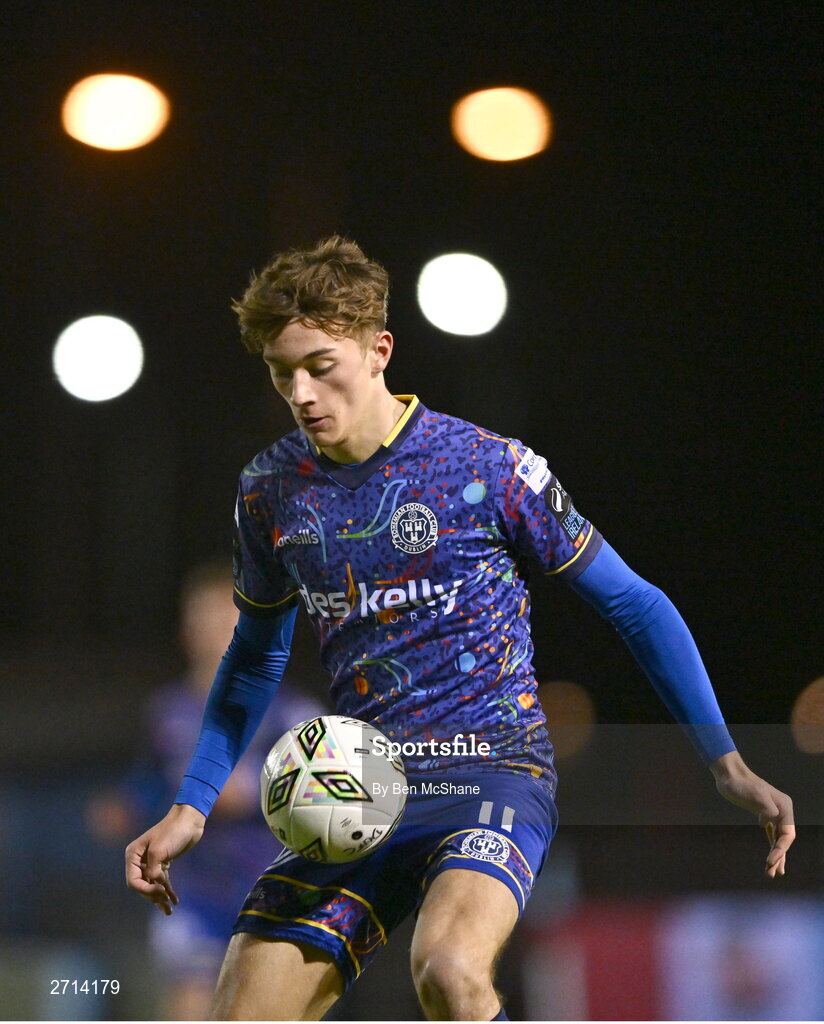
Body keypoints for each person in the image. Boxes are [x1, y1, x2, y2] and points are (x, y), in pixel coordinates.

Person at [125, 236, 795, 1022]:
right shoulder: (270, 491)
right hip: (359, 787)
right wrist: (193, 803)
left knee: (447, 970)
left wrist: (725, 760)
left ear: (379, 350)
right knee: (241, 1013)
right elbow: (253, 656)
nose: (302, 392)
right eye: (282, 373)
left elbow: (635, 604)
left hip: (489, 772)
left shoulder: (487, 468)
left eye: (320, 365)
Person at [90, 561, 325, 1019]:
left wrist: (259, 795)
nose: (214, 634)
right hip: (192, 891)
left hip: (268, 887)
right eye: (203, 623)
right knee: (190, 1002)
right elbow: (154, 775)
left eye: (226, 623)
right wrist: (127, 805)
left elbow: (327, 797)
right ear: (186, 631)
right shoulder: (168, 710)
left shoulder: (292, 714)